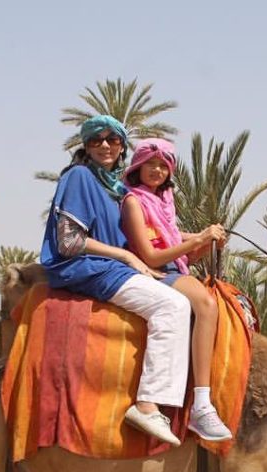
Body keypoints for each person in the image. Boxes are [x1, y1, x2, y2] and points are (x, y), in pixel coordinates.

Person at [40, 115, 191, 447]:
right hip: (88, 267)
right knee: (173, 306)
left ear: (123, 146)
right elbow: (68, 241)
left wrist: (198, 241)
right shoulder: (79, 177)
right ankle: (148, 404)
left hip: (113, 266)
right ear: (86, 145)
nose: (105, 146)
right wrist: (125, 257)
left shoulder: (116, 187)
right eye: (96, 140)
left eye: (113, 140)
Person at [121, 139, 232, 441]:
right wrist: (198, 239)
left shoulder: (164, 204)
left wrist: (207, 243)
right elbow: (152, 255)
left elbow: (182, 253)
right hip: (153, 272)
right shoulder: (133, 202)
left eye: (163, 166)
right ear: (138, 166)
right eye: (151, 164)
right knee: (206, 305)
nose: (157, 170)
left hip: (172, 269)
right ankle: (202, 404)